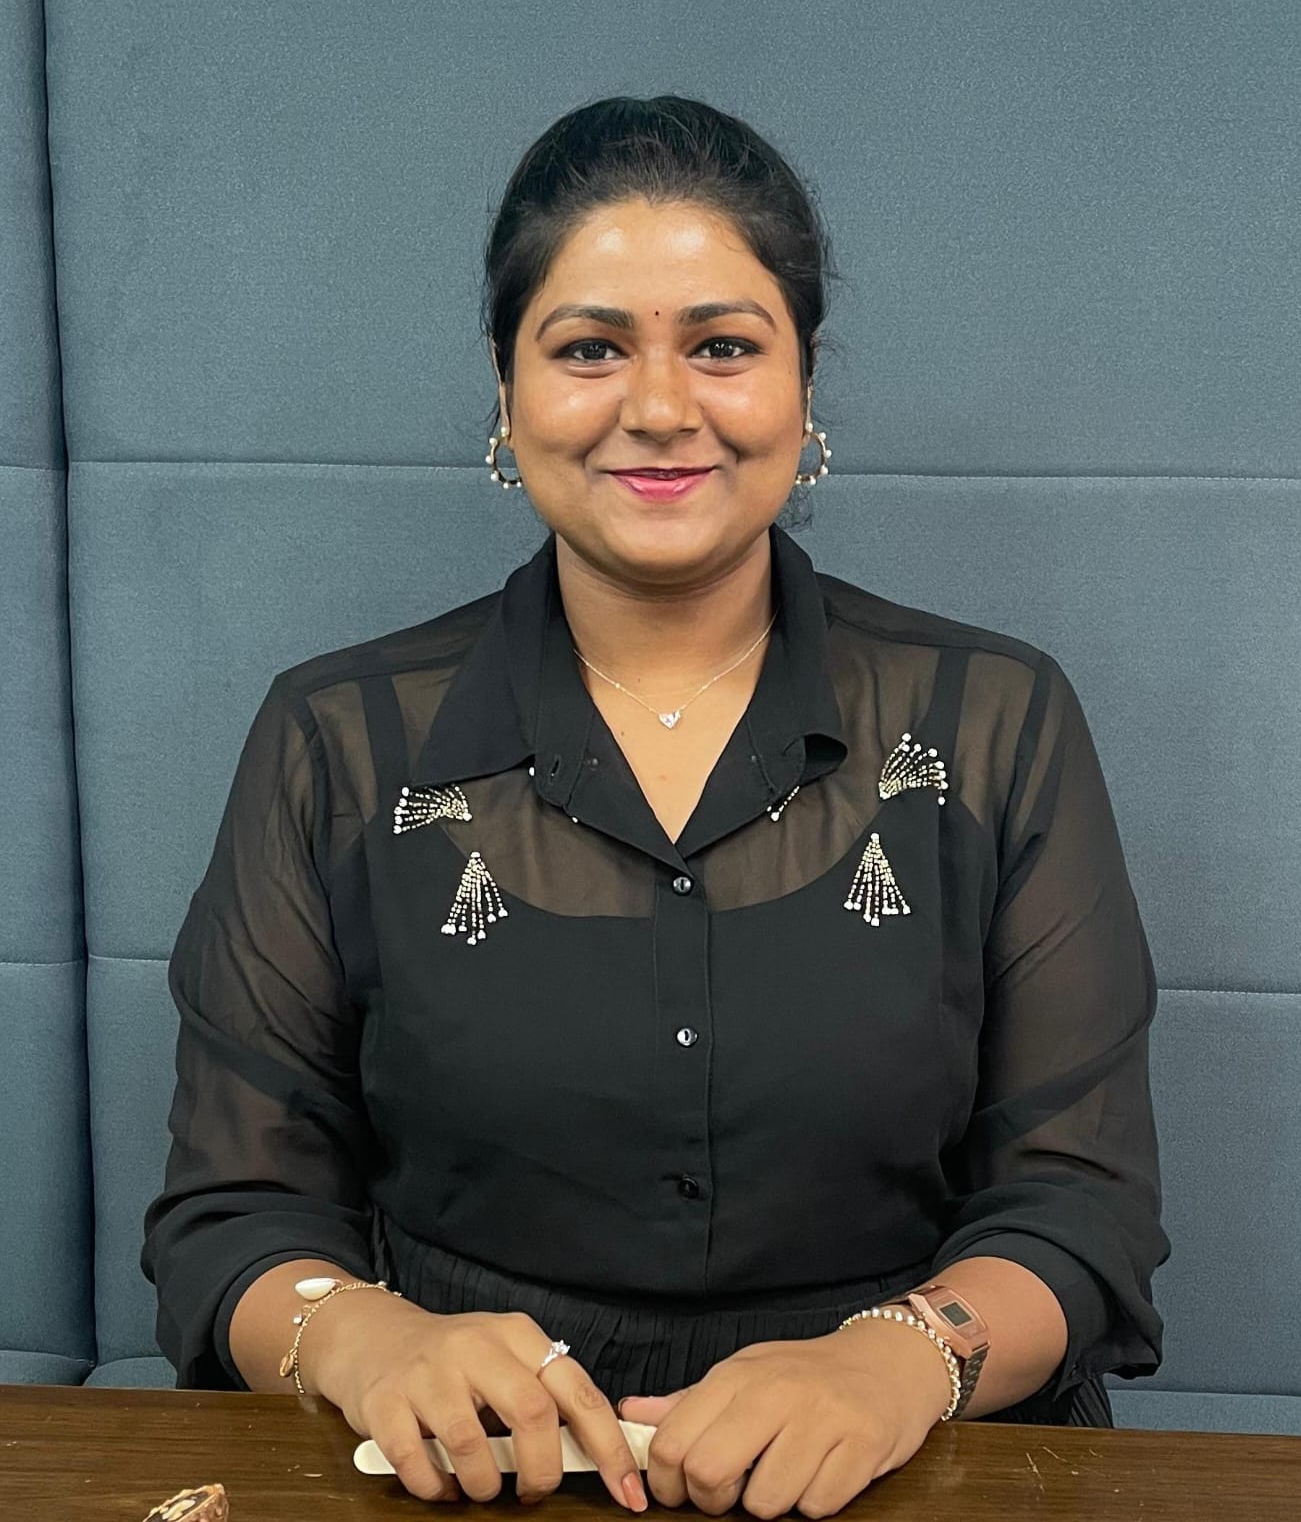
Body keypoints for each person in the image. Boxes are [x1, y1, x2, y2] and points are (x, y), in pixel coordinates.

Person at [143, 95, 1168, 1516]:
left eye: (724, 345)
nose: (663, 406)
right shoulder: (339, 738)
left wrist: (892, 1365)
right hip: (464, 1476)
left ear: (805, 392)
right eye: (589, 349)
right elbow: (232, 1211)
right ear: (507, 395)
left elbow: (1080, 1199)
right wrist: (367, 1343)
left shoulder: (993, 721)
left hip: (910, 1468)